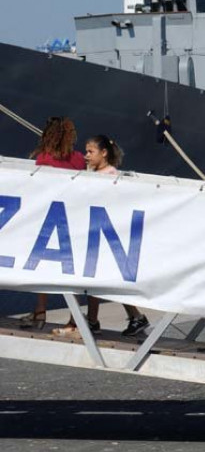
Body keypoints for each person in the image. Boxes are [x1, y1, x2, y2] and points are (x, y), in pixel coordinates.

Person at [51, 135, 151, 338]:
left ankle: (86, 321)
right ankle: (104, 319)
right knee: (95, 281)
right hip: (94, 234)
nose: (86, 156)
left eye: (90, 152)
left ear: (103, 153)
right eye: (86, 151)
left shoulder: (110, 175)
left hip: (102, 235)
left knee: (91, 280)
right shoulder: (93, 173)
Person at [20, 117, 85, 330]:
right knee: (71, 272)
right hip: (73, 220)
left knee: (42, 267)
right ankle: (74, 319)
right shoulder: (77, 159)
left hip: (48, 220)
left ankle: (40, 312)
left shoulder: (44, 158)